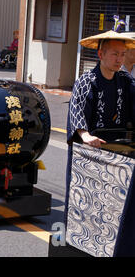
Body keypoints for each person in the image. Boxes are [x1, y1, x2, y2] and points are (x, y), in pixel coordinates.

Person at [65, 30, 135, 256]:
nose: (119, 60)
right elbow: (76, 112)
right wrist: (85, 136)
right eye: (115, 54)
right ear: (100, 54)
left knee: (116, 208)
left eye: (123, 54)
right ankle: (82, 241)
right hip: (91, 151)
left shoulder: (125, 80)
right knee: (88, 203)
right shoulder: (87, 81)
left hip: (118, 151)